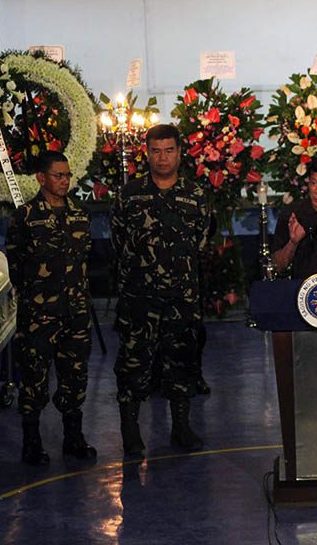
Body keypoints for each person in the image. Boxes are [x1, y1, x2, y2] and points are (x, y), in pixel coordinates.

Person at [111, 124, 210, 455]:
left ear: (180, 153)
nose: (163, 157)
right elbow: (118, 241)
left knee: (181, 362)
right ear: (147, 153)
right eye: (156, 151)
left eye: (169, 150)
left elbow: (202, 243)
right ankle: (130, 430)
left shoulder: (195, 196)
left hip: (181, 299)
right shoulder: (130, 195)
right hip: (140, 299)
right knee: (133, 364)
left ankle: (181, 428)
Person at [6, 150, 96, 465]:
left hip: (75, 314)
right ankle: (32, 442)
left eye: (68, 175)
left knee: (75, 378)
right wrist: (35, 297)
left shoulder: (80, 214)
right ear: (41, 178)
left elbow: (86, 260)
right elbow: (14, 264)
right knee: (34, 380)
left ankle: (74, 437)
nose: (64, 181)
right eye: (58, 175)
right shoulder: (25, 216)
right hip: (39, 315)